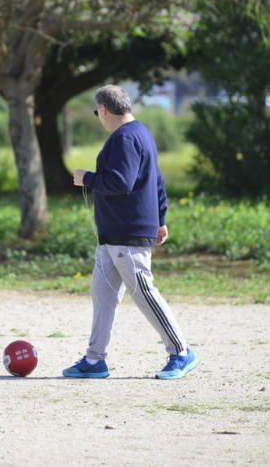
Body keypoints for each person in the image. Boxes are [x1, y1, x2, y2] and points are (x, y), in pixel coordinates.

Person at [63, 85, 197, 380]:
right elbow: (156, 181)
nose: (98, 116)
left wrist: (87, 178)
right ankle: (95, 359)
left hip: (127, 234)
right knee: (103, 295)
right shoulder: (141, 133)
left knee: (145, 294)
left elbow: (121, 183)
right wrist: (161, 219)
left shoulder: (124, 138)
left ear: (105, 110)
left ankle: (181, 352)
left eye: (97, 112)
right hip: (112, 236)